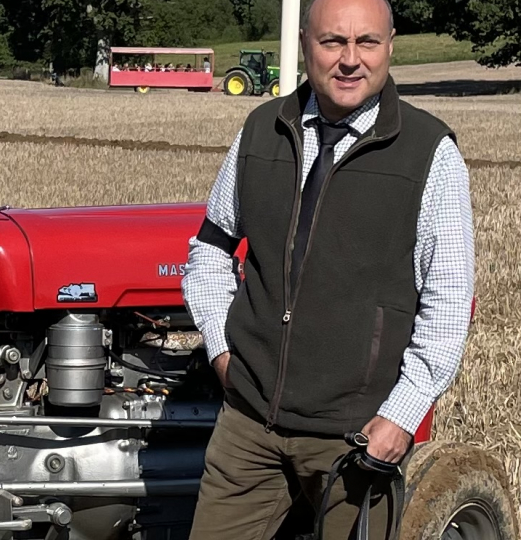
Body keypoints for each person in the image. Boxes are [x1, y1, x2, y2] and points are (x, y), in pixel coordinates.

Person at [181, 0, 474, 537]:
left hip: (355, 441)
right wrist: (225, 357)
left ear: (390, 47)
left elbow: (449, 301)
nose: (350, 59)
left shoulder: (429, 153)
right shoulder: (260, 130)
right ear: (305, 47)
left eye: (366, 42)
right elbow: (209, 250)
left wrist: (400, 418)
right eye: (333, 42)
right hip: (249, 430)